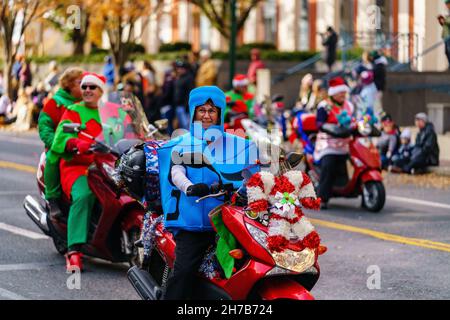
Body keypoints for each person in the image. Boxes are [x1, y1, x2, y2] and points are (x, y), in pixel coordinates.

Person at [158, 86, 258, 299]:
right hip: (194, 223)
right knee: (185, 271)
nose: (206, 115)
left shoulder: (239, 144)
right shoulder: (181, 144)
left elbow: (255, 172)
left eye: (212, 111)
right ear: (193, 112)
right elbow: (176, 172)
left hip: (233, 219)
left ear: (220, 113)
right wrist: (189, 187)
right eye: (201, 110)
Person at [50, 72, 106, 271]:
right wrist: (74, 142)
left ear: (101, 91)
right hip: (78, 167)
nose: (88, 90)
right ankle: (74, 251)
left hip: (107, 165)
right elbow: (59, 140)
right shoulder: (73, 111)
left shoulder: (113, 111)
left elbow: (130, 130)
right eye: (84, 87)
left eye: (92, 87)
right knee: (84, 195)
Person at [38, 67, 84, 218]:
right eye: (80, 82)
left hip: (83, 147)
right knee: (53, 157)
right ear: (70, 84)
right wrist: (58, 144)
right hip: (62, 147)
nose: (85, 87)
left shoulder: (87, 103)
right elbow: (45, 128)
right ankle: (53, 199)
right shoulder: (55, 103)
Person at [314, 77, 354, 209]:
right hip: (328, 144)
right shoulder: (324, 106)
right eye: (340, 92)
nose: (343, 95)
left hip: (346, 143)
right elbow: (319, 124)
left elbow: (355, 120)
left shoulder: (349, 105)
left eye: (344, 92)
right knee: (329, 164)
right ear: (333, 93)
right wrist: (333, 129)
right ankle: (322, 197)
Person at [173, 60, 195, 130]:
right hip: (178, 106)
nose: (179, 70)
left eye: (181, 68)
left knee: (186, 126)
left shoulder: (189, 78)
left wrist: (187, 106)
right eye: (178, 68)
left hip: (184, 107)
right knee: (182, 127)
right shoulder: (179, 78)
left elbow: (190, 93)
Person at [369, 50, 387, 117]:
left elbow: (374, 74)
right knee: (376, 105)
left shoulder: (379, 66)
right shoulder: (378, 65)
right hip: (378, 88)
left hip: (378, 88)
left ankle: (378, 119)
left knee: (377, 105)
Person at [438, 0, 450, 70]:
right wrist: (441, 21)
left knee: (449, 50)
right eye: (446, 4)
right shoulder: (447, 13)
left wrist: (445, 20)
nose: (447, 5)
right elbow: (446, 25)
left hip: (449, 36)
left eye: (448, 4)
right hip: (446, 35)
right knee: (446, 51)